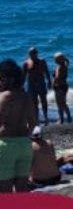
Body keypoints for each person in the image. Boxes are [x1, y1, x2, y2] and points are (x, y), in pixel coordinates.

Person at [0, 59, 37, 193]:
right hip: (24, 144)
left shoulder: (4, 97)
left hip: (5, 145)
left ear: (6, 78)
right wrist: (25, 135)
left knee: (4, 190)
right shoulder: (26, 96)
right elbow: (33, 122)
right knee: (22, 188)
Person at [51, 52, 72, 124]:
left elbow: (57, 77)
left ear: (58, 60)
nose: (54, 60)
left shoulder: (59, 67)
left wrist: (52, 83)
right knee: (63, 103)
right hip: (64, 86)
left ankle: (61, 119)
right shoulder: (65, 65)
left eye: (55, 59)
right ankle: (68, 117)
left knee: (59, 104)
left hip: (59, 86)